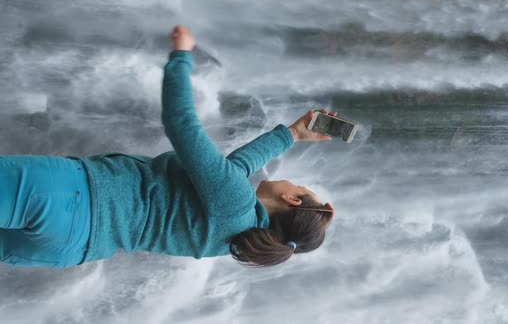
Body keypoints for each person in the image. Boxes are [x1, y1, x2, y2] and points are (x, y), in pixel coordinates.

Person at [0, 25, 336, 269]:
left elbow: (181, 124)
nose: (295, 182)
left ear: (291, 199)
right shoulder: (237, 236)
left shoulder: (234, 200)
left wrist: (181, 56)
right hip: (76, 247)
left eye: (300, 188)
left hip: (69, 196)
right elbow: (234, 169)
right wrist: (291, 133)